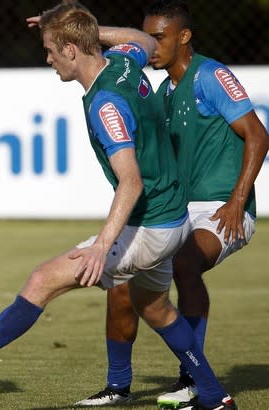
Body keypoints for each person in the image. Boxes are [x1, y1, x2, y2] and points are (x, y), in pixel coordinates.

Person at [0, 1, 237, 409]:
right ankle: (214, 395)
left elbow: (130, 182)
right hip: (172, 220)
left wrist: (101, 246)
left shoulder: (105, 104)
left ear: (70, 50)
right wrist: (83, 28)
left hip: (151, 226)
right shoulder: (124, 63)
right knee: (154, 307)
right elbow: (138, 39)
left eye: (51, 49)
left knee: (41, 280)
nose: (48, 59)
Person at [74, 1, 269, 407]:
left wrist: (237, 201)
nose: (152, 47)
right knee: (121, 283)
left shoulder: (212, 76)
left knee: (186, 263)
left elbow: (258, 135)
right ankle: (117, 386)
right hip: (177, 212)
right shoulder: (162, 92)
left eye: (159, 38)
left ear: (184, 37)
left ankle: (192, 378)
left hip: (221, 209)